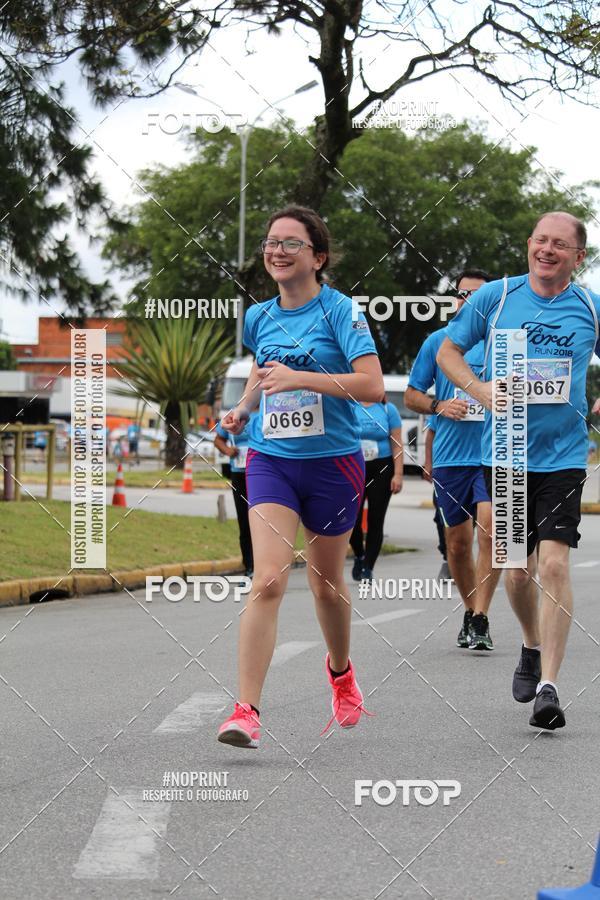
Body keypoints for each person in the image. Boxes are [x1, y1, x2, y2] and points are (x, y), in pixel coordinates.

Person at [216, 205, 384, 749]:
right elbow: (265, 377)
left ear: (318, 256)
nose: (277, 251)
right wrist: (243, 408)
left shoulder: (341, 312)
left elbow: (372, 385)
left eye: (291, 243)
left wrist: (302, 376)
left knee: (327, 586)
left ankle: (340, 673)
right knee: (267, 578)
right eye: (271, 242)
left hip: (334, 463)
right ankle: (246, 711)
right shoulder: (258, 317)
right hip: (270, 458)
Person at [437, 211, 600, 730]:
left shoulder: (591, 308)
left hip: (564, 458)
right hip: (504, 452)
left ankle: (548, 686)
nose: (546, 250)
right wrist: (478, 389)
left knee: (553, 566)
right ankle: (530, 645)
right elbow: (448, 350)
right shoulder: (498, 298)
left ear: (579, 256)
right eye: (539, 240)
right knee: (515, 572)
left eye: (559, 244)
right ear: (529, 245)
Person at [405, 268, 501, 651]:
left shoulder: (504, 342)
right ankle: (468, 609)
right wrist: (440, 405)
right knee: (457, 545)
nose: (467, 301)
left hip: (493, 453)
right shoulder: (437, 342)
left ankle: (481, 617)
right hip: (450, 458)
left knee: (490, 532)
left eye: (476, 295)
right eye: (462, 294)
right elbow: (413, 394)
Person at [349, 396, 403, 581]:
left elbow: (397, 444)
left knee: (376, 518)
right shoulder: (350, 405)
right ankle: (359, 555)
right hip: (354, 468)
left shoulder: (388, 410)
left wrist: (398, 474)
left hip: (382, 469)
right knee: (351, 519)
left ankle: (368, 567)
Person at [214, 412, 258, 577]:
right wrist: (227, 450)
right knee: (244, 520)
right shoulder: (235, 414)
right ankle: (249, 567)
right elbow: (218, 439)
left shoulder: (269, 410)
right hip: (239, 473)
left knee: (264, 521)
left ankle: (266, 566)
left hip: (263, 473)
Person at [422, 415, 450, 580]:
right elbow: (431, 433)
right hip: (446, 469)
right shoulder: (444, 401)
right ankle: (447, 557)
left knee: (474, 518)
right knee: (441, 518)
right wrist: (428, 463)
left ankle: (463, 559)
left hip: (479, 467)